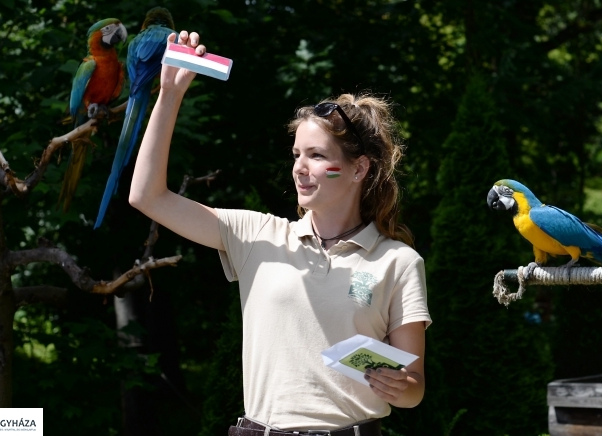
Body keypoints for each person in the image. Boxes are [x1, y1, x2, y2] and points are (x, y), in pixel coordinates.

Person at [129, 31, 432, 436]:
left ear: (359, 169)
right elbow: (147, 196)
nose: (299, 168)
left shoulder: (398, 262)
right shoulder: (257, 235)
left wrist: (401, 386)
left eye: (317, 155)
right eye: (296, 154)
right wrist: (169, 94)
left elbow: (414, 388)